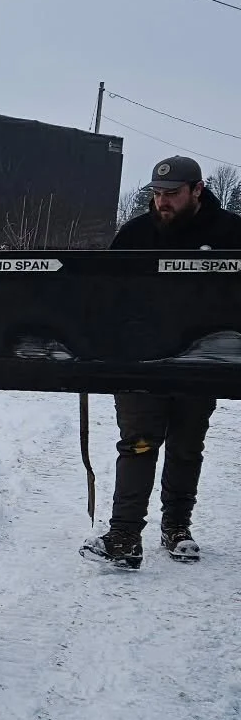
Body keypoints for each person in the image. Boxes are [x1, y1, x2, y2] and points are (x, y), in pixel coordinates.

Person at [82, 155, 241, 569]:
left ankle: (177, 528)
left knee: (187, 447)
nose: (163, 202)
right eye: (156, 194)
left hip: (203, 360)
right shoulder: (136, 233)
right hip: (142, 360)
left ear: (197, 190)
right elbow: (105, 293)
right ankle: (124, 536)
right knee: (137, 444)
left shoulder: (231, 233)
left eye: (172, 194)